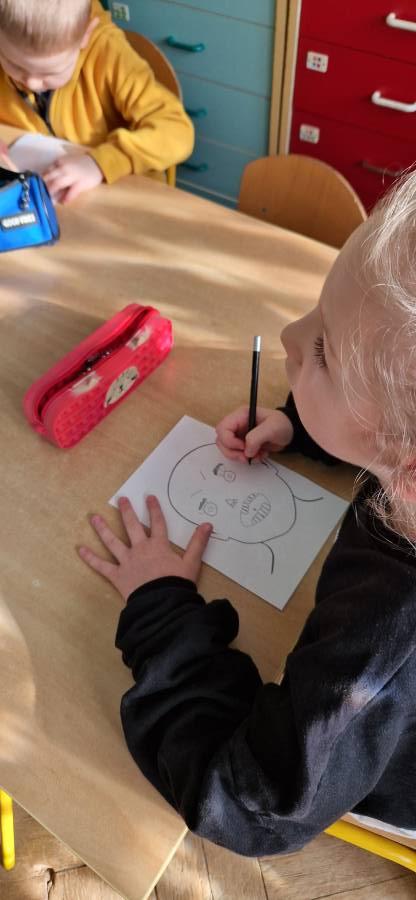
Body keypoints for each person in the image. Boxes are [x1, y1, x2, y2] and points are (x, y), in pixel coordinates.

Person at [79, 171, 416, 856]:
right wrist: (303, 425)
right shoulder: (404, 465)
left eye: (323, 353)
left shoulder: (387, 641)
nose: (289, 335)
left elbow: (252, 805)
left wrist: (160, 612)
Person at [0, 0, 193, 203]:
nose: (31, 82)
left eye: (50, 72)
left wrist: (100, 163)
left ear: (85, 34)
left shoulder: (109, 54)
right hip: (38, 195)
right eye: (14, 64)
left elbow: (177, 131)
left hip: (119, 196)